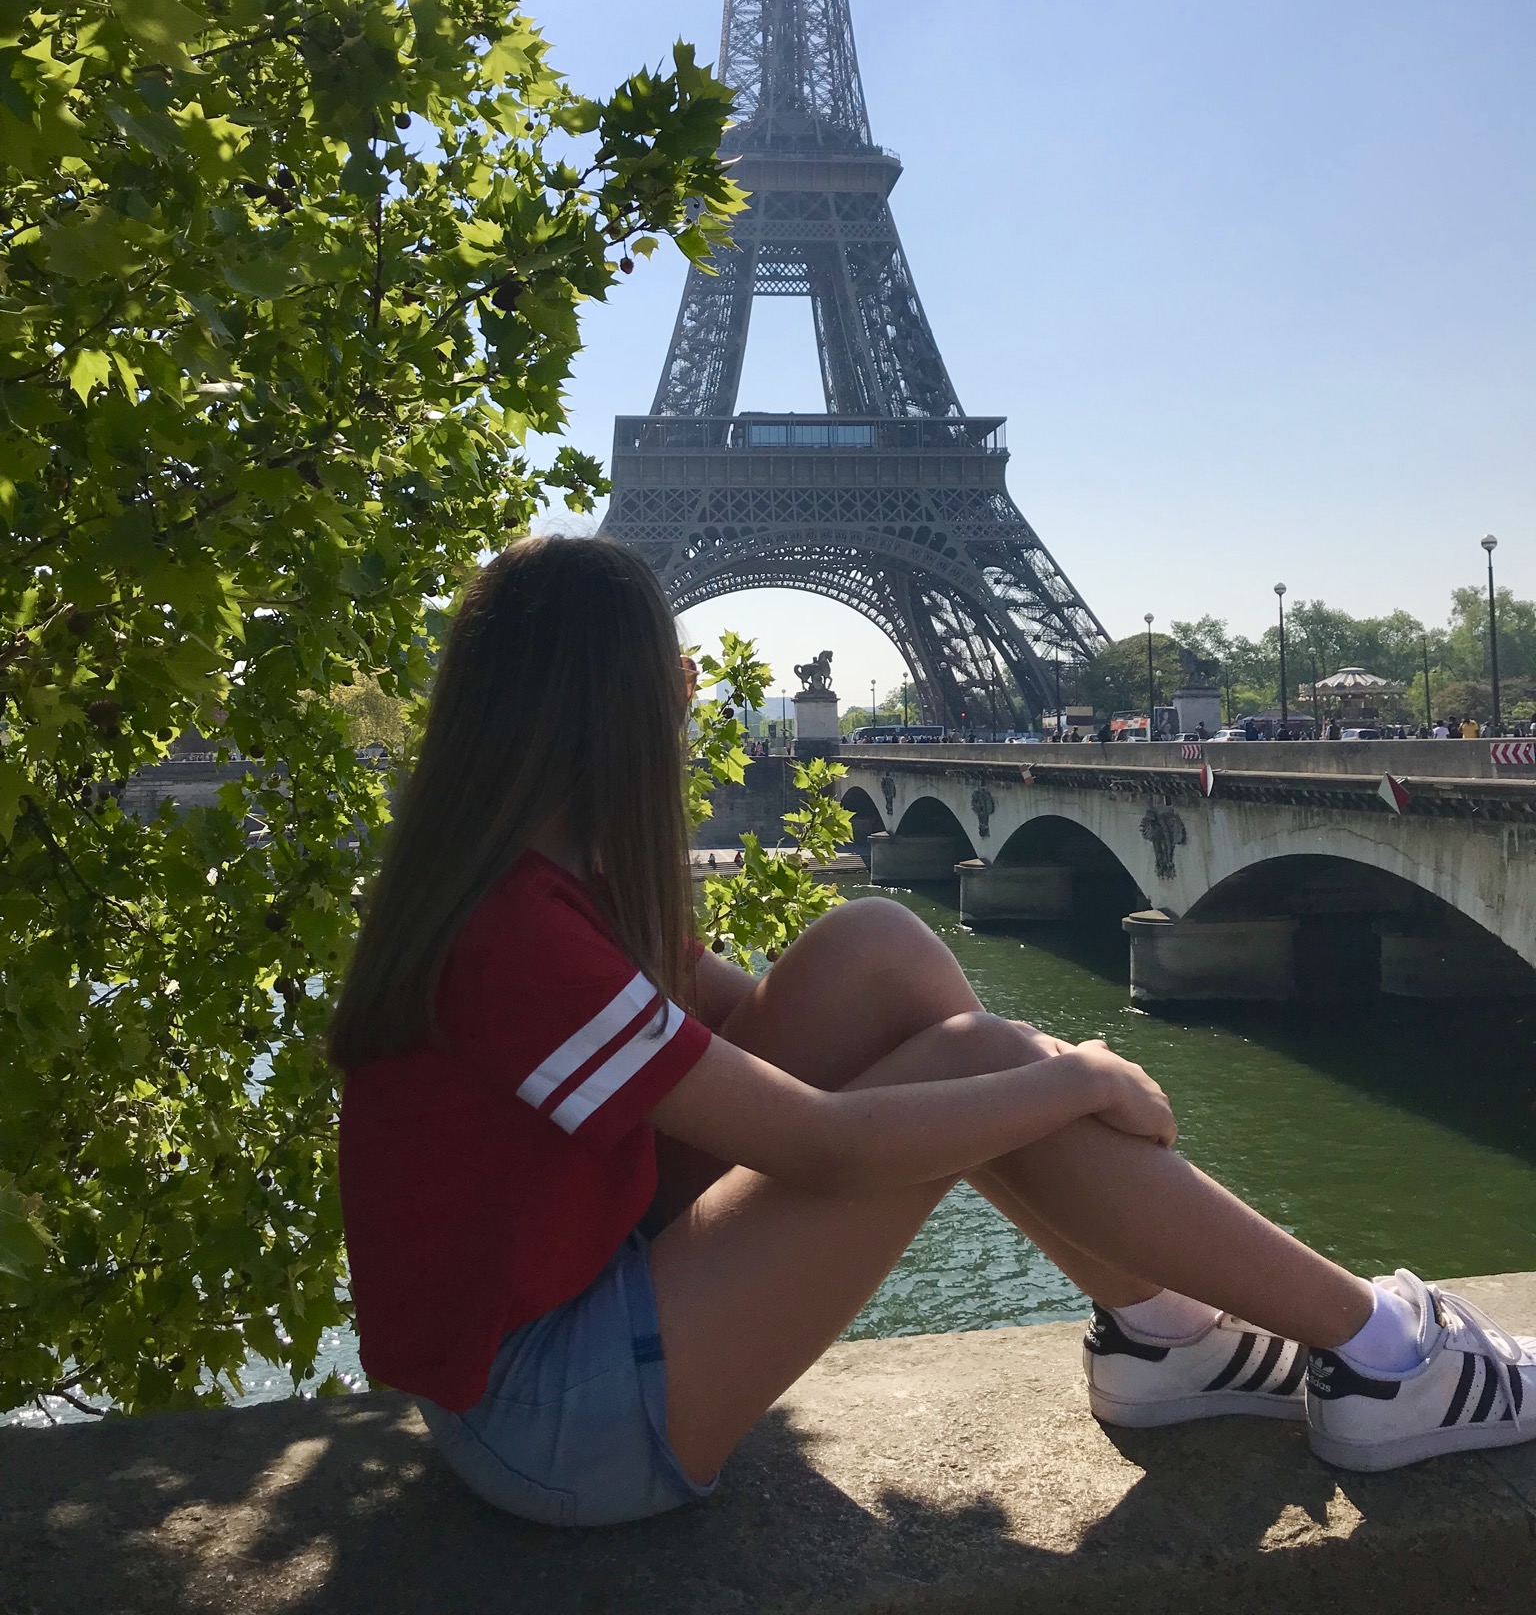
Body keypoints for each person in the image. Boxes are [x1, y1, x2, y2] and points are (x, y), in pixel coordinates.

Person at [330, 537, 1536, 1529]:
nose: (690, 707)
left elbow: (760, 1033)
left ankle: (1164, 1333)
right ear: (615, 709)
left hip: (566, 1320)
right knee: (983, 1061)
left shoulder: (538, 888)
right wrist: (1071, 1077)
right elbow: (823, 1144)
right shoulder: (521, 940)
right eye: (677, 682)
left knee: (879, 946)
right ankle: (1382, 1350)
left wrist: (1001, 1072)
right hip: (549, 1419)